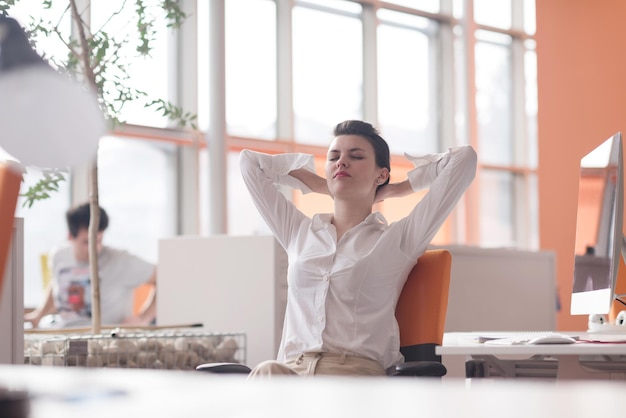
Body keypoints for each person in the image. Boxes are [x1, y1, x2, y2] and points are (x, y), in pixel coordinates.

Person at [240, 120, 477, 377]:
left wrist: (395, 189)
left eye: (356, 156)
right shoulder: (299, 232)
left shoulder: (398, 239)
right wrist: (324, 185)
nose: (342, 162)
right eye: (334, 157)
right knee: (266, 373)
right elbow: (249, 163)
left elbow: (464, 160)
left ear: (381, 174)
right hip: (291, 371)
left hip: (353, 373)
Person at [24, 202, 157, 328]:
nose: (94, 248)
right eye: (86, 242)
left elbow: (163, 277)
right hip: (65, 337)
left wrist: (143, 318)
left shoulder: (121, 261)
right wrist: (39, 315)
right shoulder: (59, 256)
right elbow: (57, 283)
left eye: (98, 240)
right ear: (70, 236)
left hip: (108, 344)